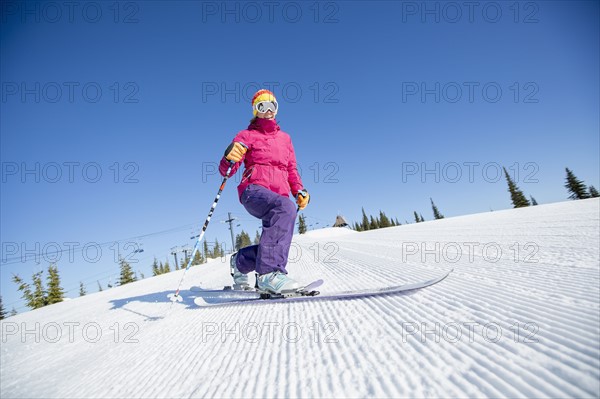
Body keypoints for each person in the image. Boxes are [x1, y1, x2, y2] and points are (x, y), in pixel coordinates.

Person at [219, 89, 310, 294]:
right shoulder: (247, 135)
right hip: (252, 190)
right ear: (255, 110)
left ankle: (241, 261)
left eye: (272, 106)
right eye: (262, 106)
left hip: (280, 195)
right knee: (285, 209)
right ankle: (268, 275)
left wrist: (299, 191)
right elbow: (228, 170)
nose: (268, 111)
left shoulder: (285, 139)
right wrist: (229, 158)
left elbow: (291, 169)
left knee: (278, 238)